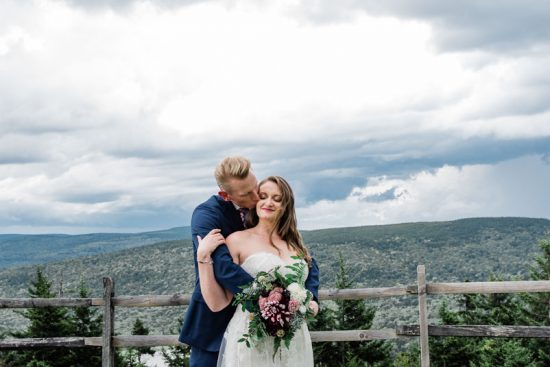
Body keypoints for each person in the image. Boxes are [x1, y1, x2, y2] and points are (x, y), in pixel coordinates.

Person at [179, 157, 319, 367]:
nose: (257, 197)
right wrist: (273, 298)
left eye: (257, 189)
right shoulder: (207, 215)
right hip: (216, 326)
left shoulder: (284, 234)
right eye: (249, 194)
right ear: (226, 196)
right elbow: (225, 269)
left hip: (280, 334)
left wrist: (305, 298)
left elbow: (304, 264)